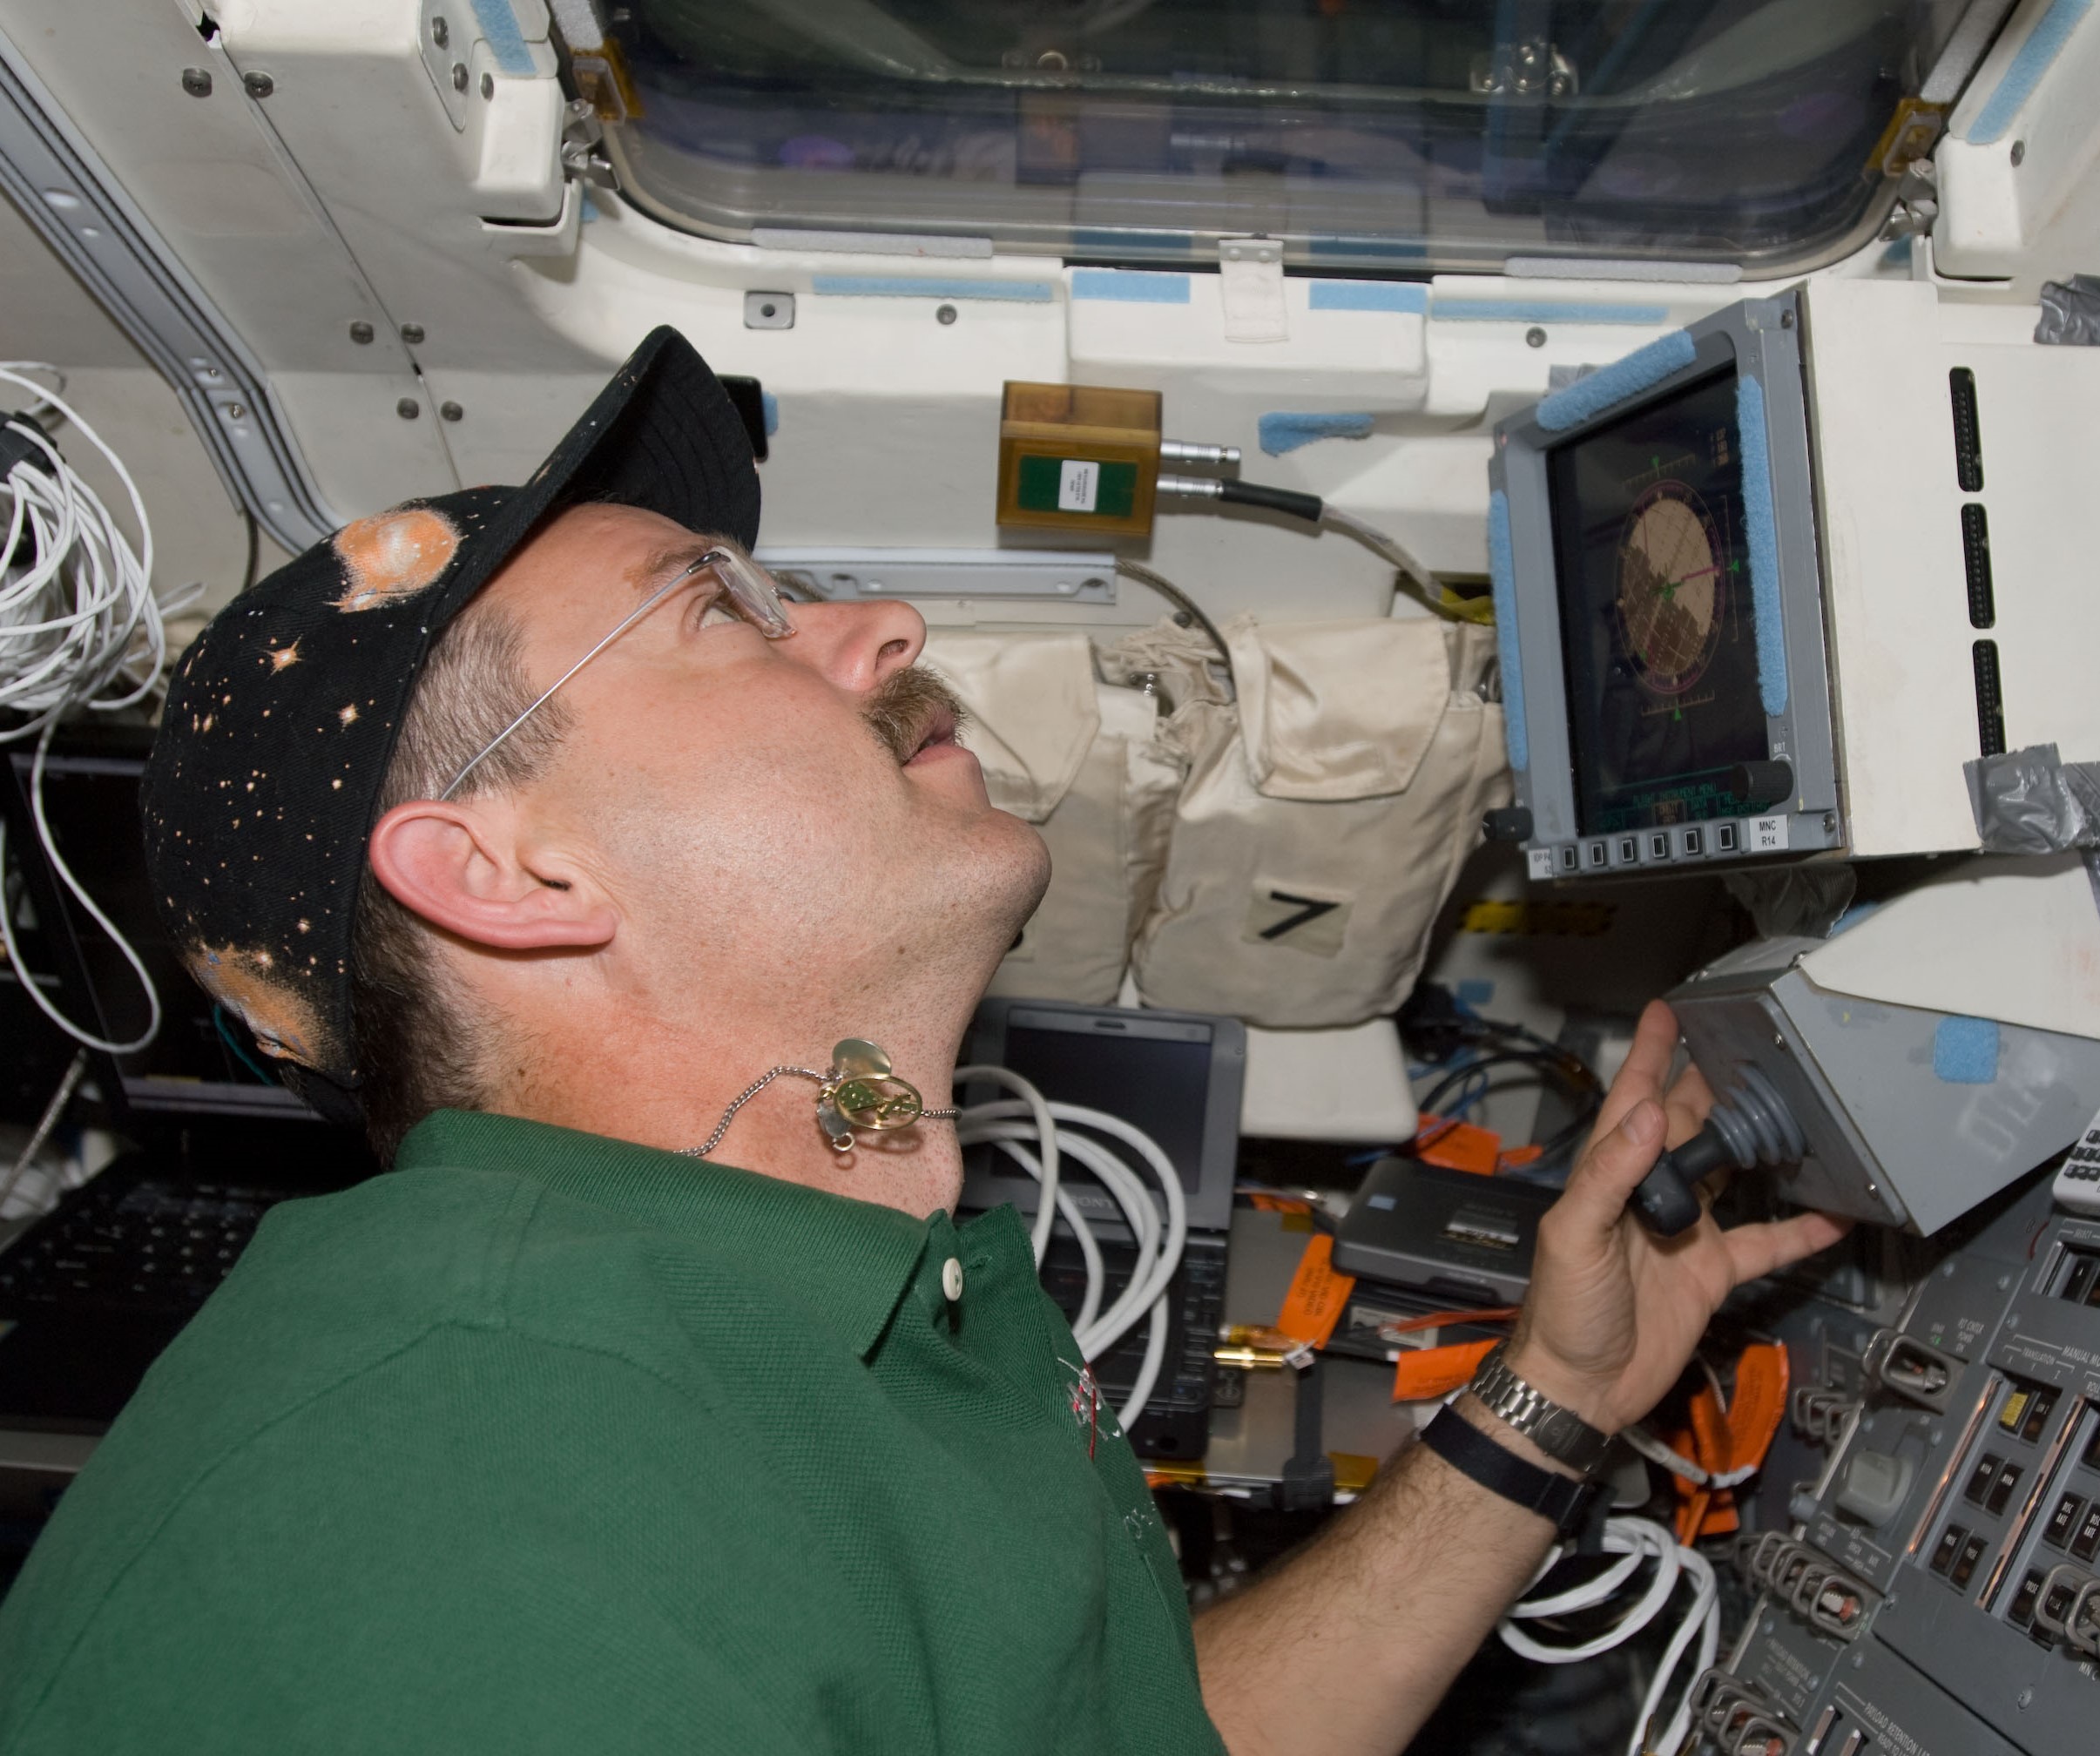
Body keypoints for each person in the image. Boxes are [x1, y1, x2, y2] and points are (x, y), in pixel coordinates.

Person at [0, 328, 1849, 1753]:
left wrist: (1558, 1399)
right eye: (718, 614)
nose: (877, 628)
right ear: (505, 871)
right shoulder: (468, 1513)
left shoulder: (823, 1274)